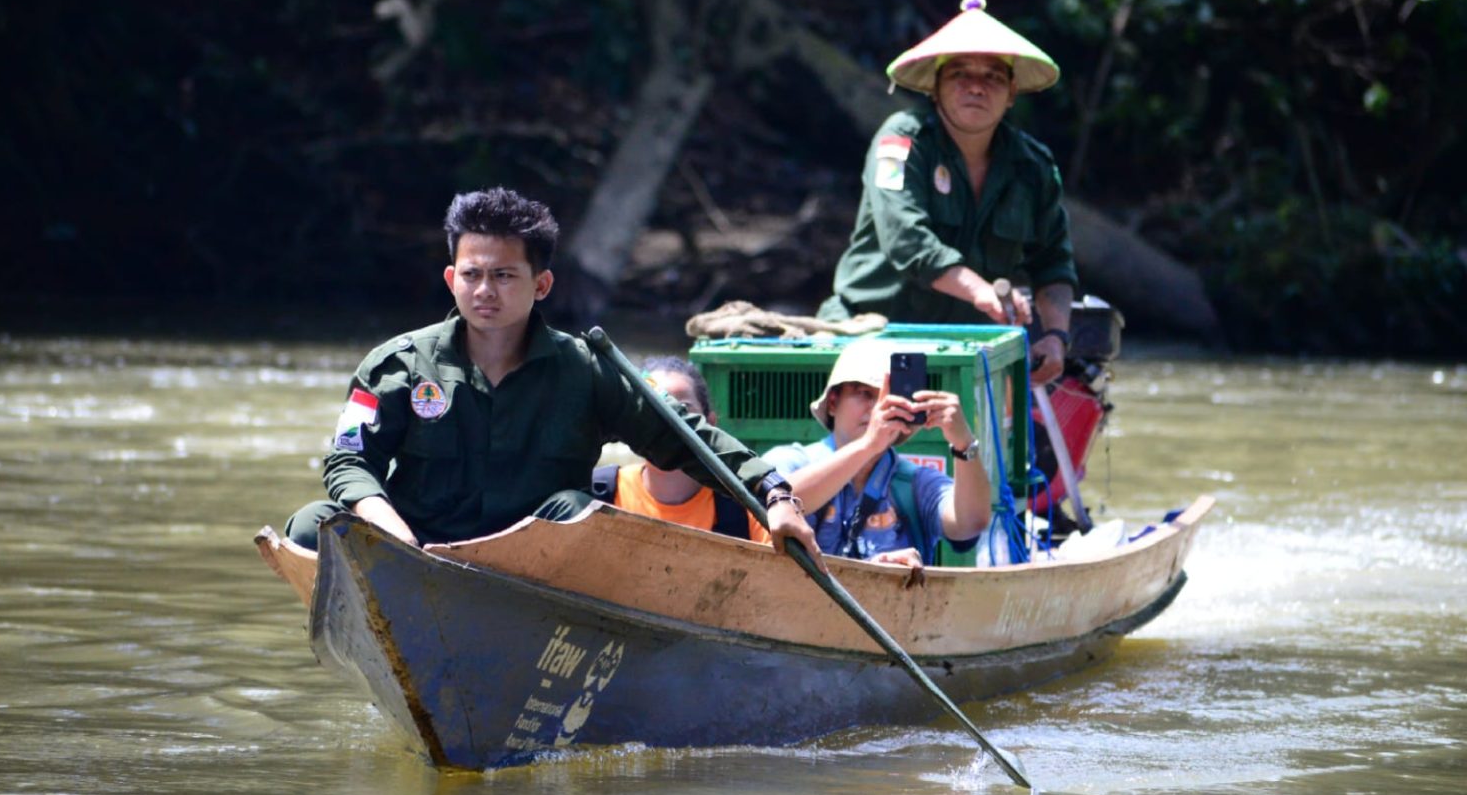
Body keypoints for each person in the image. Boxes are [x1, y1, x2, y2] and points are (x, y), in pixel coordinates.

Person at [285, 187, 819, 563]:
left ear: (541, 286)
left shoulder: (585, 370)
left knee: (580, 511)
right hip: (414, 549)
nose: (485, 291)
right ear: (451, 279)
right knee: (313, 525)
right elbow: (350, 459)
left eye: (503, 275)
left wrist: (774, 494)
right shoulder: (397, 364)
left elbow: (684, 437)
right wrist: (394, 536)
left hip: (534, 567)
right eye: (471, 275)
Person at [817, 0, 1079, 385]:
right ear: (935, 88)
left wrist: (1056, 336)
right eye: (960, 74)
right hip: (871, 334)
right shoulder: (899, 143)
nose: (976, 87)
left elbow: (1053, 262)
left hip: (969, 350)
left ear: (1011, 93)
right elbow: (906, 238)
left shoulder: (1033, 166)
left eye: (992, 77)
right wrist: (979, 290)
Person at [759, 338, 992, 568]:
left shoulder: (913, 484)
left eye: (888, 398)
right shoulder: (790, 460)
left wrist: (964, 444)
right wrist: (869, 444)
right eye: (864, 393)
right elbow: (773, 500)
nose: (877, 408)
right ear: (832, 402)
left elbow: (970, 523)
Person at [590, 356, 768, 542]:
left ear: (710, 424)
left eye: (682, 410)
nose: (666, 422)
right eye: (650, 409)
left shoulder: (746, 509)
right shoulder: (594, 493)